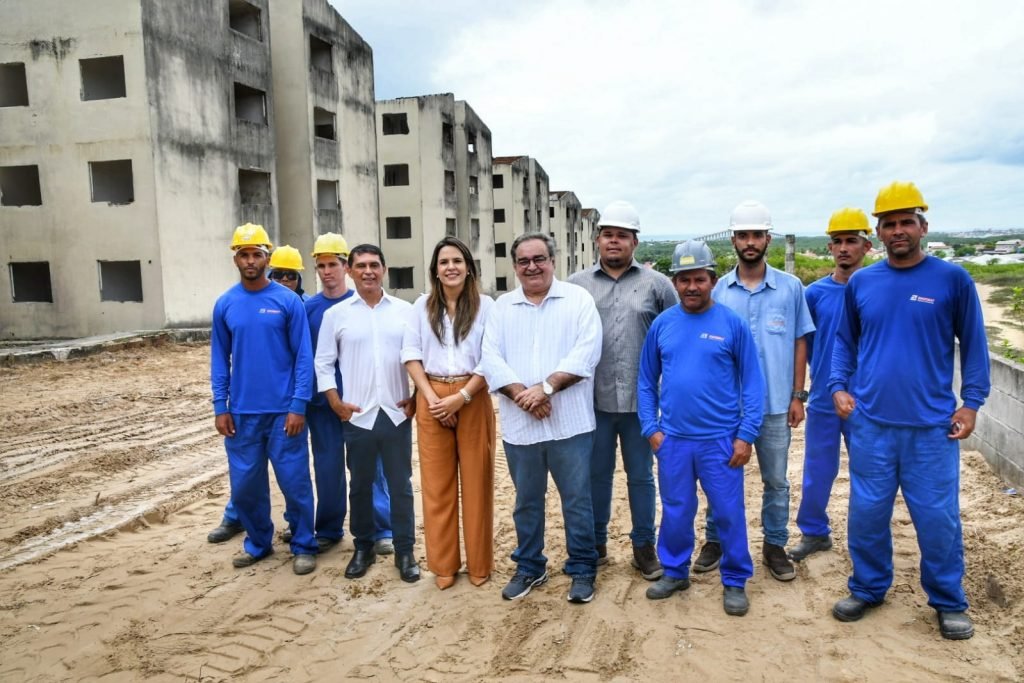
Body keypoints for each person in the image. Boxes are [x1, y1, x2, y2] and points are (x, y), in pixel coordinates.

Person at [829, 181, 990, 640]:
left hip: (931, 429)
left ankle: (948, 600)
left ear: (923, 226)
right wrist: (839, 386)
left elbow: (974, 346)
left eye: (906, 222)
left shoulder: (951, 279)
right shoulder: (863, 281)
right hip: (872, 425)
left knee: (937, 517)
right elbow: (844, 342)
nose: (898, 230)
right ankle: (868, 587)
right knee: (866, 513)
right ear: (877, 232)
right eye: (889, 224)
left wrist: (972, 403)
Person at [638, 241, 764, 616]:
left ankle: (736, 579)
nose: (692, 287)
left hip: (721, 440)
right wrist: (651, 429)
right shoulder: (663, 324)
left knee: (728, 512)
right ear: (675, 282)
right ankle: (675, 571)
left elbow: (753, 383)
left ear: (712, 280)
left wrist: (746, 435)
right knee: (676, 509)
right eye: (684, 280)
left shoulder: (732, 324)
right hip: (673, 440)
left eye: (699, 279)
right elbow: (646, 381)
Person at [694, 200, 814, 582]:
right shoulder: (719, 291)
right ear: (733, 239)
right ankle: (715, 540)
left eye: (757, 235)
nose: (750, 242)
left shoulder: (791, 288)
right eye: (743, 235)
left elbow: (799, 342)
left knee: (776, 480)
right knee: (720, 478)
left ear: (768, 238)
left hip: (777, 405)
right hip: (727, 410)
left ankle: (775, 545)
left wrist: (798, 395)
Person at [481, 233, 603, 604]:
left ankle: (582, 568)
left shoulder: (577, 300)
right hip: (521, 427)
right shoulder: (502, 307)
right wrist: (524, 395)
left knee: (577, 500)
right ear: (515, 266)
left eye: (539, 258)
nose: (531, 266)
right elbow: (491, 359)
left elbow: (587, 353)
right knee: (527, 502)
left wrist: (546, 389)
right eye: (523, 261)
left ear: (553, 260)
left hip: (571, 424)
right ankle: (530, 566)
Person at [568, 200, 676, 580]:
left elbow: (674, 338)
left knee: (642, 477)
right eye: (608, 234)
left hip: (640, 403)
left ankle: (643, 546)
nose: (614, 241)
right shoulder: (575, 286)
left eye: (623, 236)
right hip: (591, 401)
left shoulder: (658, 286)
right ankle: (596, 544)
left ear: (635, 242)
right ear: (598, 239)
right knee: (595, 476)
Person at [210, 223, 317, 575]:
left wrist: (298, 404)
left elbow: (303, 357)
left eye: (257, 254)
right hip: (242, 415)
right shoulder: (225, 304)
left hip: (283, 413)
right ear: (236, 259)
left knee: (295, 483)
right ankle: (258, 543)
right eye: (244, 254)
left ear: (267, 257)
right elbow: (219, 359)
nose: (250, 260)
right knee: (245, 488)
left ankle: (303, 544)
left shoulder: (287, 302)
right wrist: (221, 407)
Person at [315, 244, 420, 583]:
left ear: (384, 270)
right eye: (360, 266)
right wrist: (335, 402)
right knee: (359, 485)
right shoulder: (337, 315)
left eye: (374, 265)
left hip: (395, 412)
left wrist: (416, 396)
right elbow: (323, 363)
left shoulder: (406, 312)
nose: (368, 271)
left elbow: (421, 357)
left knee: (400, 485)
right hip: (357, 415)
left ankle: (405, 551)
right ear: (350, 271)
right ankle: (363, 547)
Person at [402, 237, 496, 590]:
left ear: (469, 267)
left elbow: (491, 358)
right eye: (444, 262)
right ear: (435, 271)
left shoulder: (487, 307)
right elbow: (410, 353)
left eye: (457, 260)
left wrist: (463, 397)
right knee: (437, 487)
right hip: (432, 396)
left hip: (473, 394)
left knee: (477, 484)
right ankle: (443, 566)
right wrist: (431, 399)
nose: (451, 267)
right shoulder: (420, 307)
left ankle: (480, 564)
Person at [299, 233, 393, 553]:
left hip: (361, 402)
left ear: (346, 268)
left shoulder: (363, 305)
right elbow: (306, 357)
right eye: (321, 265)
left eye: (334, 264)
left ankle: (381, 529)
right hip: (322, 403)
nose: (327, 272)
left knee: (370, 468)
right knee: (327, 469)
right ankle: (328, 527)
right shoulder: (308, 309)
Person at [789, 209, 873, 562]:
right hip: (824, 396)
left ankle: (867, 539)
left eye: (851, 241)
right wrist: (806, 389)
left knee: (869, 474)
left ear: (866, 245)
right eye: (837, 242)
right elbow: (803, 342)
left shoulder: (877, 288)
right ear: (829, 247)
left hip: (866, 399)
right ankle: (814, 532)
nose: (843, 248)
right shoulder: (815, 294)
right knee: (818, 469)